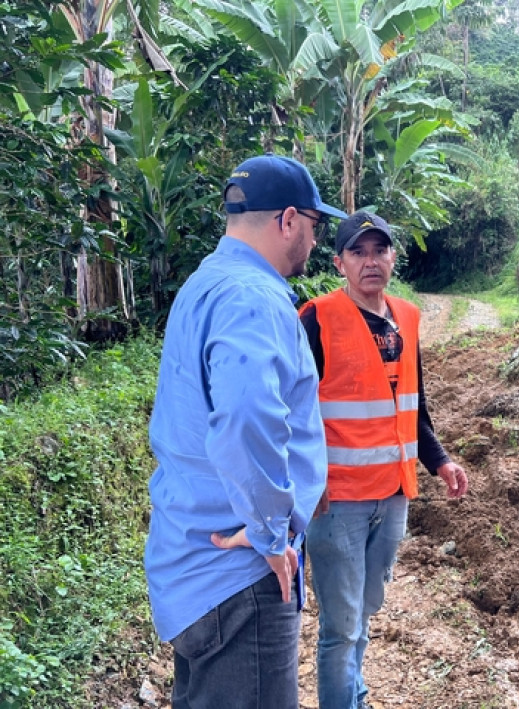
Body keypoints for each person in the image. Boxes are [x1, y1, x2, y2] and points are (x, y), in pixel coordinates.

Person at [145, 153, 347, 709]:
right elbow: (244, 420)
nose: (313, 239)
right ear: (287, 221)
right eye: (314, 224)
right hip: (238, 579)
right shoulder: (253, 299)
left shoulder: (205, 285)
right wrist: (269, 534)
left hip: (191, 564)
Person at [298, 211, 469, 709]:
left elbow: (413, 406)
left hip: (394, 495)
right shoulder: (317, 319)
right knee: (340, 626)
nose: (370, 261)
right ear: (339, 262)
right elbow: (292, 409)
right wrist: (307, 483)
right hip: (338, 502)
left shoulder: (408, 318)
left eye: (379, 250)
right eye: (358, 251)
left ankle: (356, 696)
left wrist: (440, 462)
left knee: (364, 613)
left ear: (393, 257)